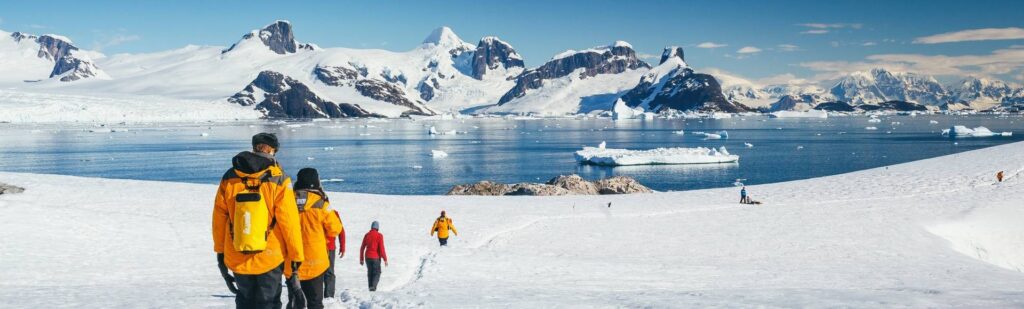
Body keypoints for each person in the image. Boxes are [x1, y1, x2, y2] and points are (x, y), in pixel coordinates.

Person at [212, 132, 304, 309]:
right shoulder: (278, 178)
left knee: (245, 301)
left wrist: (220, 252)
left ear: (254, 148)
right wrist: (295, 257)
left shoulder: (230, 177)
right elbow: (289, 223)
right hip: (269, 256)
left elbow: (219, 218)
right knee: (268, 303)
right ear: (272, 150)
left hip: (237, 252)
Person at [284, 168, 342, 309]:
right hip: (315, 262)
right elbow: (335, 228)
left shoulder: (286, 201)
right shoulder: (321, 204)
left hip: (291, 262)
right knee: (315, 302)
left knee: (294, 301)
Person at [360, 221, 388, 291]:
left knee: (370, 272)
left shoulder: (367, 235)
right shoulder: (379, 235)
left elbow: (362, 247)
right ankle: (373, 287)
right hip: (376, 257)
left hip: (367, 257)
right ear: (378, 228)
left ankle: (370, 287)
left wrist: (361, 259)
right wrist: (385, 259)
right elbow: (381, 248)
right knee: (377, 272)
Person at [323, 209, 345, 298]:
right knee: (328, 272)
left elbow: (340, 230)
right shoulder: (333, 213)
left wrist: (342, 246)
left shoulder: (333, 213)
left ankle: (328, 298)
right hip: (327, 247)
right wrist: (342, 247)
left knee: (322, 273)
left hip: (322, 247)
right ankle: (328, 297)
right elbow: (341, 230)